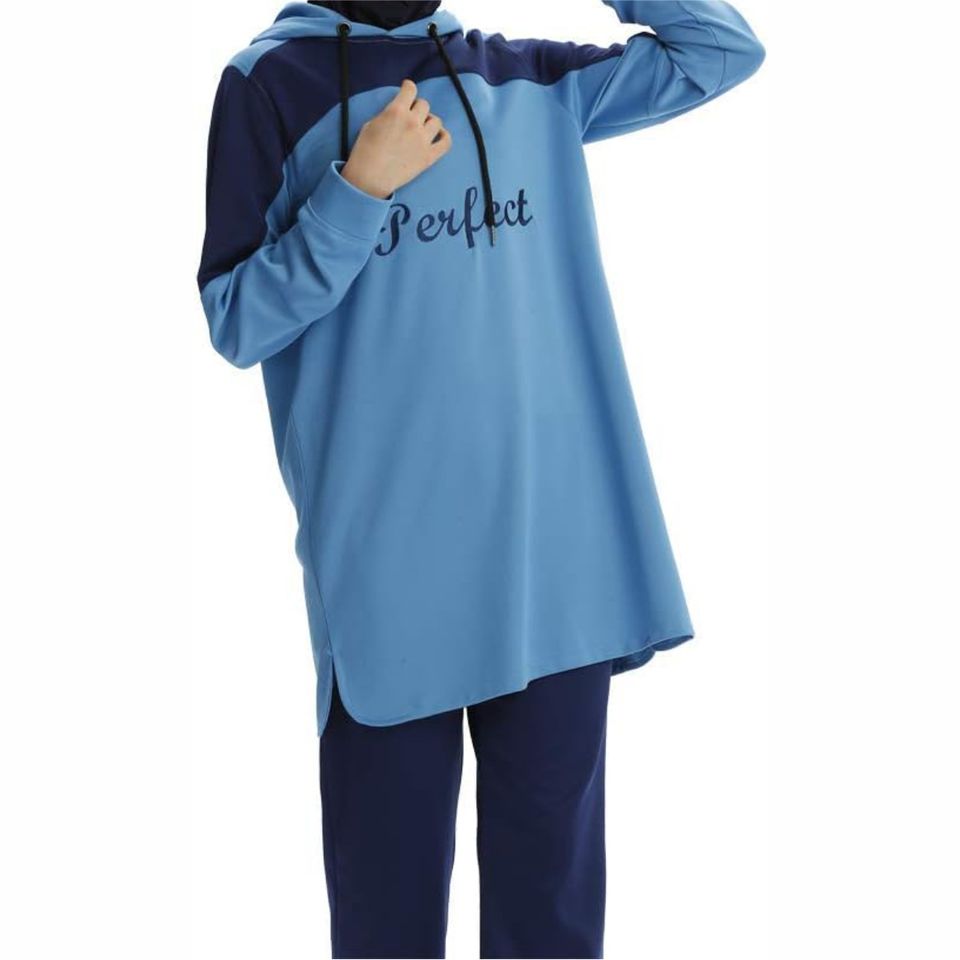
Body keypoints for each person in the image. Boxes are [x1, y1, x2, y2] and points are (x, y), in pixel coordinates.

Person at [197, 1, 764, 956]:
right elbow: (238, 320)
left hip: (558, 572)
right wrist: (356, 189)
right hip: (391, 587)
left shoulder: (527, 79)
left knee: (551, 926)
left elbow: (719, 51)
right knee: (386, 922)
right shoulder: (269, 85)